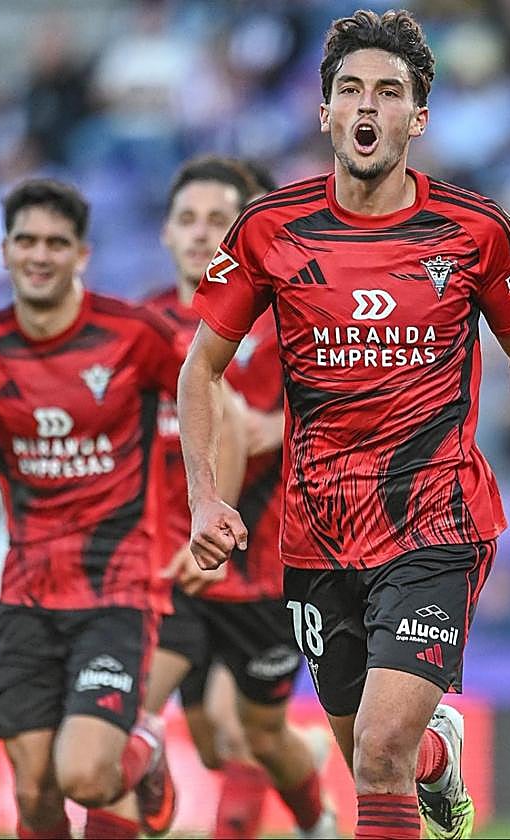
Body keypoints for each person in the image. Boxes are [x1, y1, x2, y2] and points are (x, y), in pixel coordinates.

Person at [177, 9, 510, 840]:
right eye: (351, 90)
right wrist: (204, 498)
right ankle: (438, 755)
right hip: (317, 533)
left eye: (389, 92)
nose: (368, 105)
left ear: (417, 118)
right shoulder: (270, 230)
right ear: (324, 110)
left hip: (436, 521)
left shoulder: (475, 230)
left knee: (379, 749)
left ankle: (414, 752)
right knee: (371, 748)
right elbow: (201, 369)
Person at [0, 178, 217, 840]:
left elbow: (209, 397)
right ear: (5, 251)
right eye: (27, 241)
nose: (40, 255)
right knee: (33, 792)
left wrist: (208, 505)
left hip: (116, 589)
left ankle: (144, 749)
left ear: (81, 254)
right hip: (27, 594)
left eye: (56, 243)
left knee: (86, 776)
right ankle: (138, 751)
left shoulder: (133, 335)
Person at [140, 154, 335, 839]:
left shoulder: (290, 318)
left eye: (218, 220)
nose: (200, 233)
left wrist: (277, 428)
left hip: (262, 564)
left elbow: (352, 413)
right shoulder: (141, 328)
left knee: (247, 733)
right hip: (172, 563)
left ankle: (314, 818)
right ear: (166, 231)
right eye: (187, 219)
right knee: (199, 737)